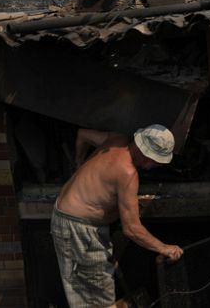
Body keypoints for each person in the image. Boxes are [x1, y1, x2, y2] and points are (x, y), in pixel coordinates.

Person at [51, 124, 184, 307]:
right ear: (147, 155)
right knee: (98, 298)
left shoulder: (117, 140)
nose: (157, 165)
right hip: (79, 230)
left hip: (69, 217)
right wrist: (164, 248)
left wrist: (78, 164)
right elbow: (131, 229)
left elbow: (82, 135)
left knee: (89, 295)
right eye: (157, 161)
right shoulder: (127, 173)